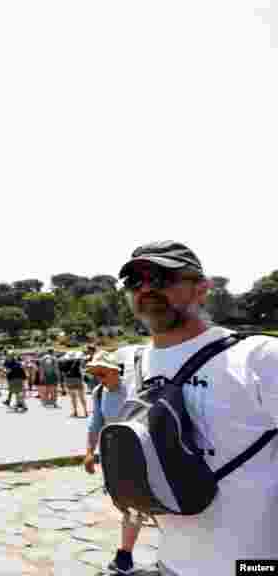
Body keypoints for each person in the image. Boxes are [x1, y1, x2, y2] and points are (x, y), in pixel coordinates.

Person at [117, 240, 278, 575]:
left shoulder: (260, 358)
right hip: (173, 562)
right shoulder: (136, 363)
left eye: (162, 276)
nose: (146, 287)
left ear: (203, 288)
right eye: (135, 279)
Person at [81, 350, 144, 575]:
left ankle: (125, 556)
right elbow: (95, 424)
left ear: (116, 371)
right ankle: (126, 556)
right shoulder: (99, 393)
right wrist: (89, 452)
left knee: (137, 505)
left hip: (141, 457)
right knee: (129, 505)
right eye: (95, 375)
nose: (99, 379)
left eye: (102, 373)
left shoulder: (135, 390)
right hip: (114, 458)